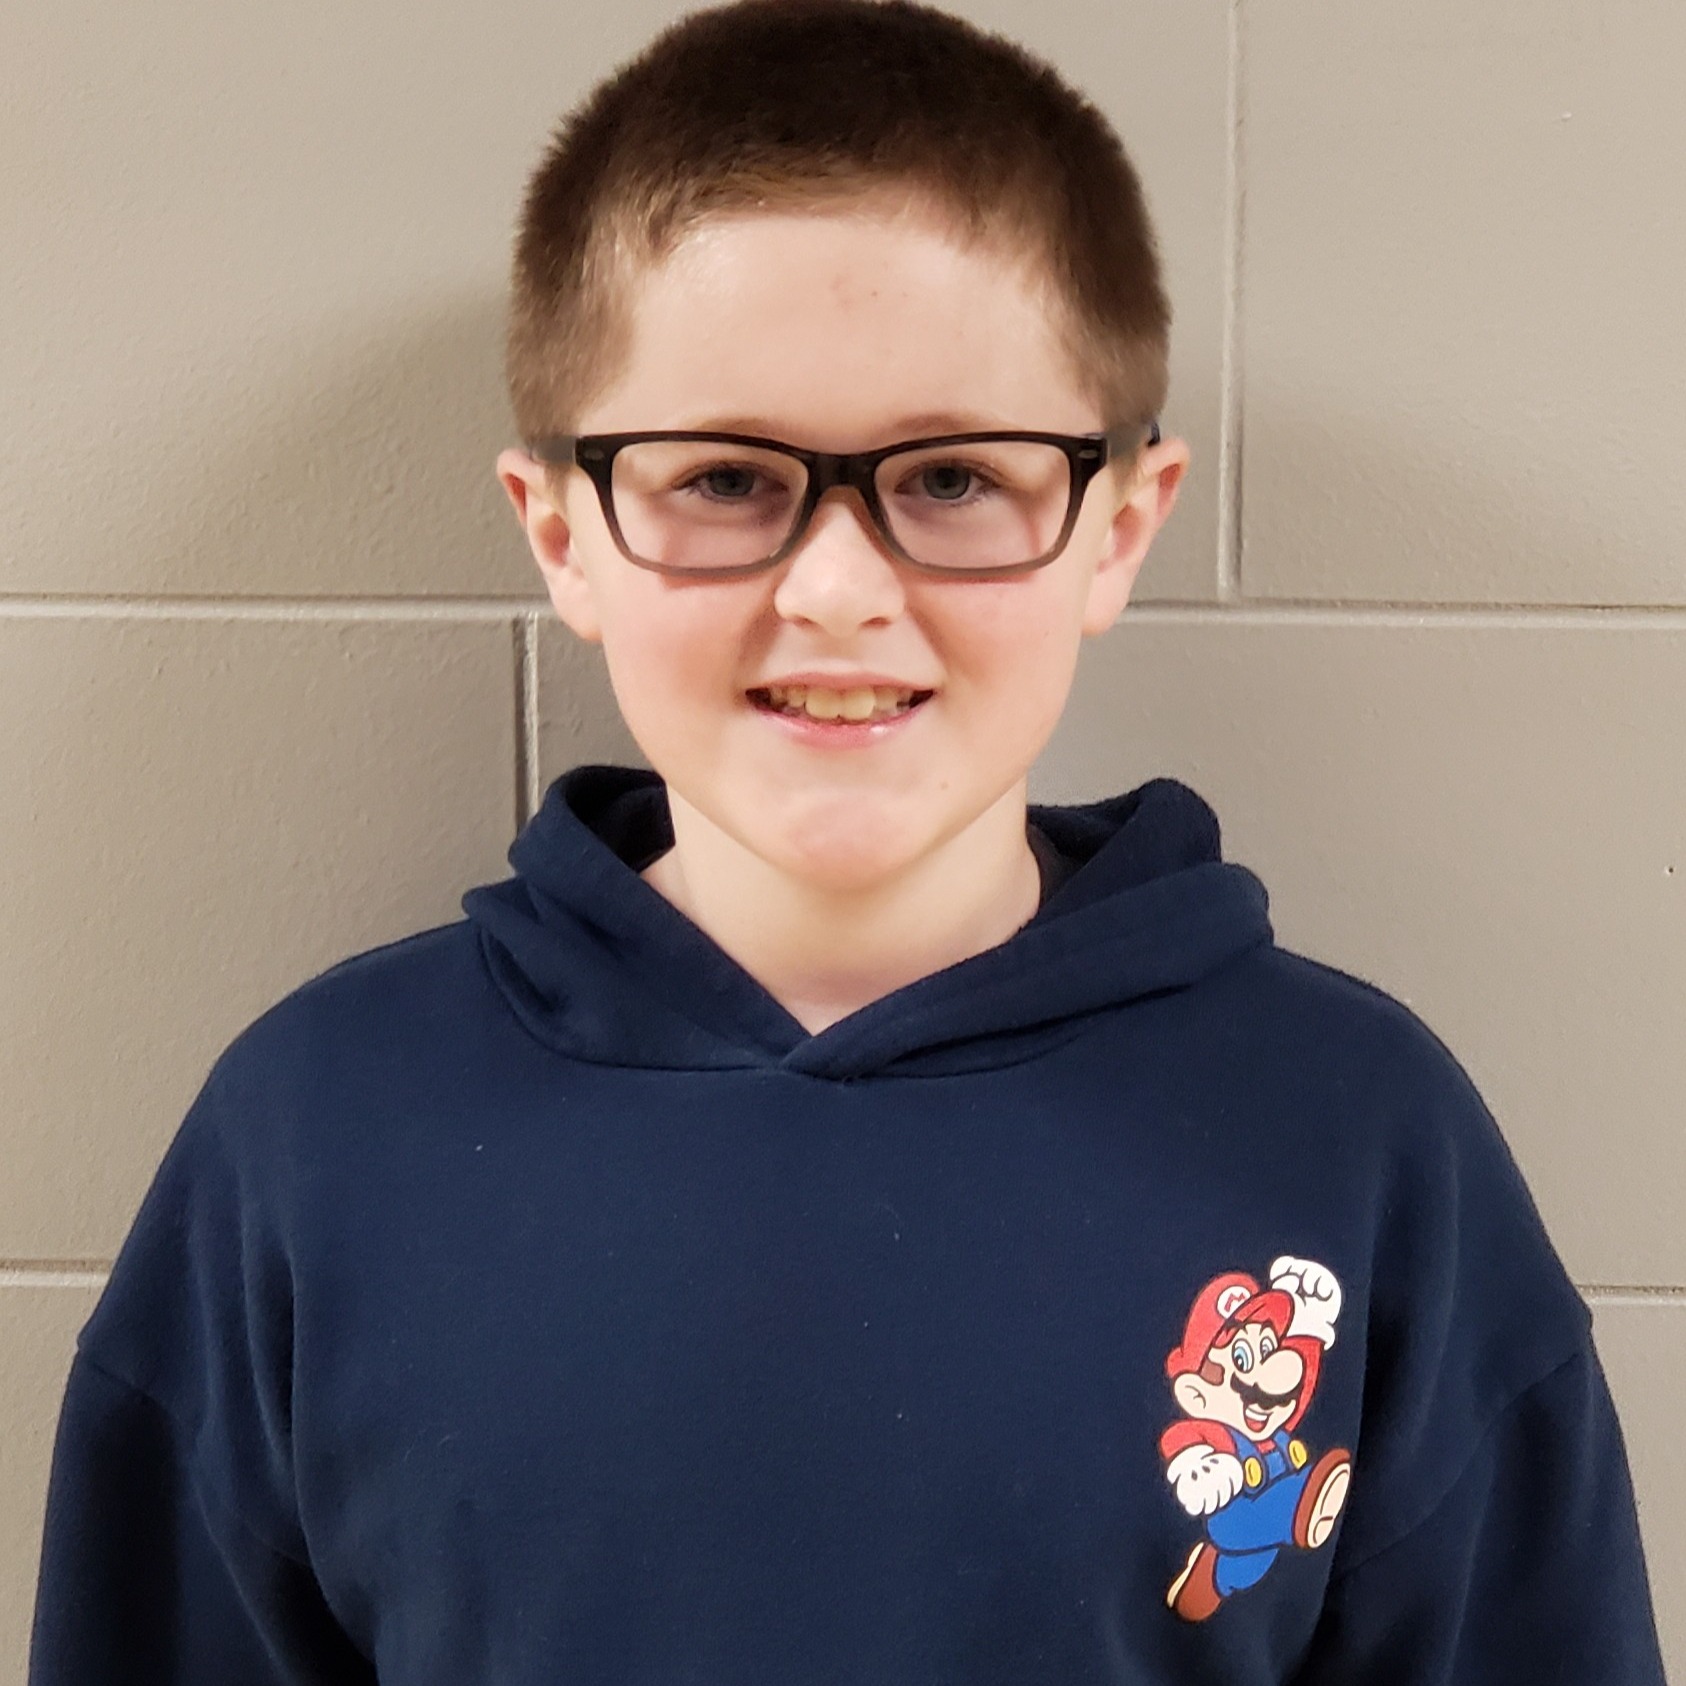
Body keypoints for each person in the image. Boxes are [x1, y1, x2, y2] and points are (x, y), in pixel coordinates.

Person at [28, 0, 1667, 1681]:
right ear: (561, 534)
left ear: (1117, 526)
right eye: (726, 479)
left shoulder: (1360, 1136)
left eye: (954, 477)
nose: (835, 587)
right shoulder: (310, 1134)